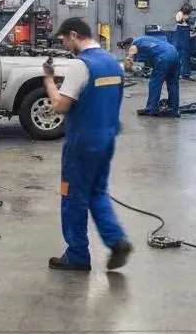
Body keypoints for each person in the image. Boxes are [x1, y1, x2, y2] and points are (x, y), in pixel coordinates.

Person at [43, 17, 134, 272]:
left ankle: (78, 255)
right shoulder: (113, 64)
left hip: (81, 142)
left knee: (72, 196)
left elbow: (61, 105)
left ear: (74, 35)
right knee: (96, 192)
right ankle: (117, 241)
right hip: (107, 139)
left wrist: (49, 81)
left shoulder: (79, 67)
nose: (64, 45)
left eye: (64, 40)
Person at [124, 35, 180, 117]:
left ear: (128, 45)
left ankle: (151, 109)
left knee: (155, 83)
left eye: (126, 49)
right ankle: (173, 110)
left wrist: (128, 58)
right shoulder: (144, 39)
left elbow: (131, 54)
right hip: (174, 53)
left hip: (164, 57)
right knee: (173, 83)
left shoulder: (134, 44)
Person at [173, 4, 196, 80]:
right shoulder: (180, 13)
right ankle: (180, 72)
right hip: (181, 31)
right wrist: (184, 19)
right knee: (181, 53)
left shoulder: (188, 16)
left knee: (186, 54)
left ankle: (186, 73)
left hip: (186, 31)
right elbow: (179, 21)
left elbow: (192, 23)